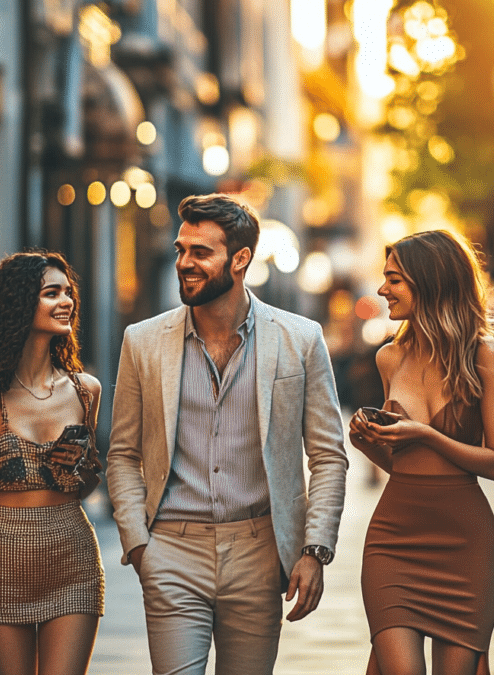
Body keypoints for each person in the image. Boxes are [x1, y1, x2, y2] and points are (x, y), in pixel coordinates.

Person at [107, 194, 349, 675]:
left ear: (240, 260)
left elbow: (328, 455)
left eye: (201, 253)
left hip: (258, 550)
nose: (184, 263)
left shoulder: (299, 340)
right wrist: (138, 544)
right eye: (181, 250)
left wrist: (314, 549)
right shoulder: (143, 341)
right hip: (172, 550)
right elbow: (122, 453)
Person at [349, 230, 494, 675]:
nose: (383, 289)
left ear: (430, 282)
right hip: (393, 542)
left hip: (465, 545)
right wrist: (371, 446)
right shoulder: (389, 358)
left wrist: (426, 434)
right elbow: (404, 465)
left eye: (394, 280)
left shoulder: (485, 356)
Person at [0, 251, 105, 675]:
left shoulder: (86, 390)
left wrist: (86, 470)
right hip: (0, 561)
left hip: (72, 555)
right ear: (18, 304)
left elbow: (85, 486)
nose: (66, 301)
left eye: (68, 292)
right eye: (51, 293)